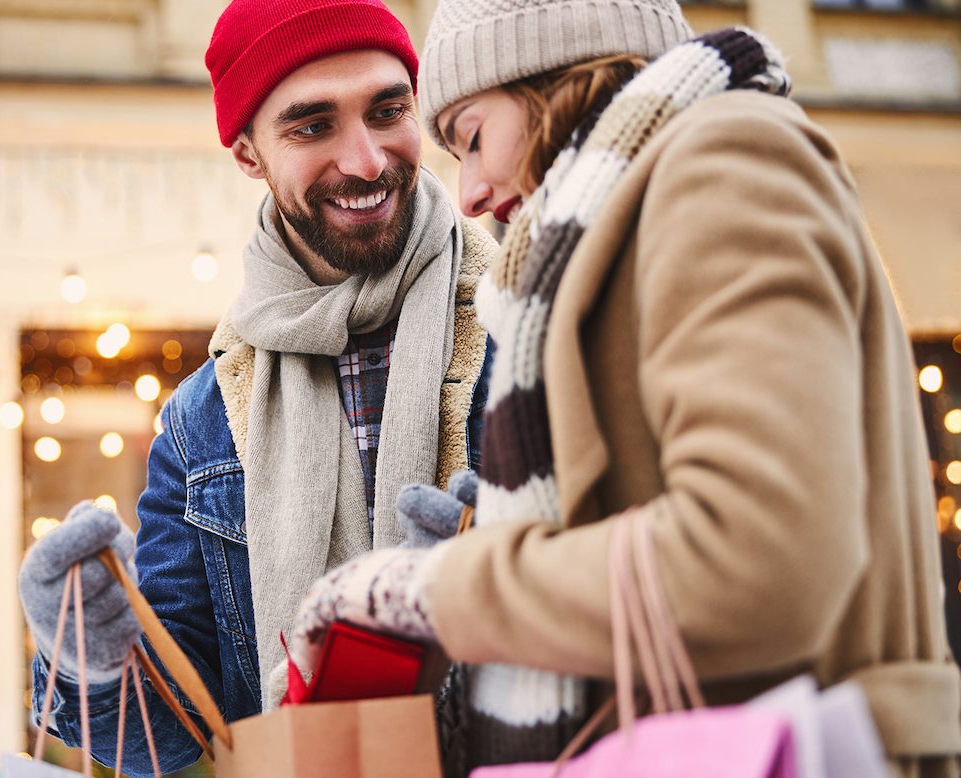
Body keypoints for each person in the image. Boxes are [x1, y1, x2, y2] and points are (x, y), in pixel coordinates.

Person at [289, 1, 961, 776]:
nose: (467, 193)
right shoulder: (611, 233)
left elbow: (754, 563)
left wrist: (436, 591)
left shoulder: (723, 160)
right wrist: (499, 541)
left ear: (551, 76)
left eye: (471, 137)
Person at [16, 0, 495, 773]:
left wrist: (493, 591)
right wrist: (88, 657)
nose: (365, 159)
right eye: (312, 126)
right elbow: (170, 739)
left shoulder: (525, 327)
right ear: (247, 153)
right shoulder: (201, 421)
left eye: (387, 110)